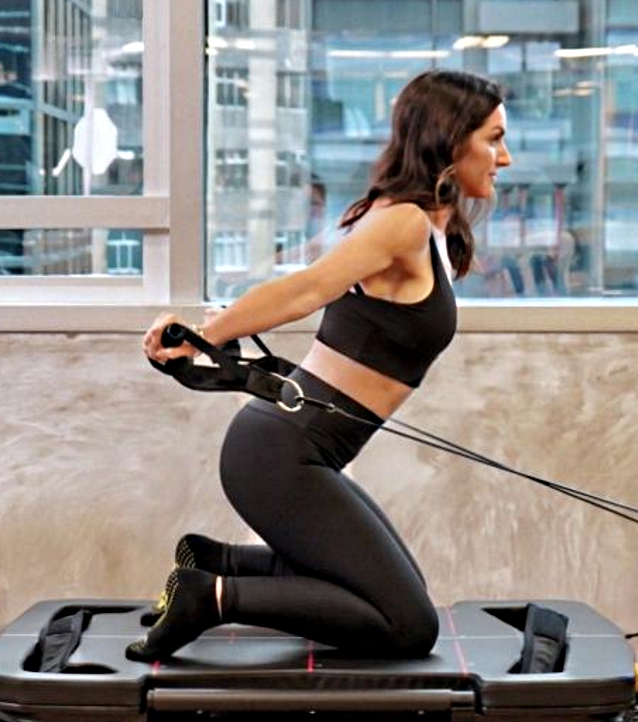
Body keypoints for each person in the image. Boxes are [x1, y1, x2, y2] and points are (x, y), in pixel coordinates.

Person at [135, 70, 510, 662]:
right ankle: (211, 597)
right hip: (283, 454)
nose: (504, 157)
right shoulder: (402, 223)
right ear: (450, 136)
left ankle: (217, 561)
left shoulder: (422, 224)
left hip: (296, 448)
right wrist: (205, 339)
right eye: (493, 138)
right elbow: (304, 290)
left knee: (398, 596)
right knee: (408, 625)